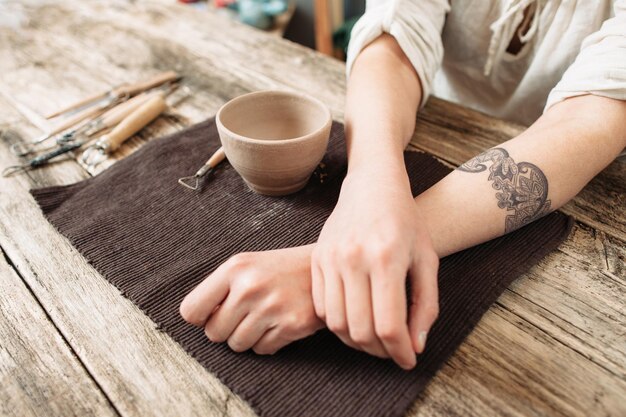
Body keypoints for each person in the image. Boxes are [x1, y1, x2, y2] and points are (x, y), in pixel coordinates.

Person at [179, 0, 626, 370]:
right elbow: (393, 40)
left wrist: (326, 269)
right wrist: (370, 181)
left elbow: (589, 117)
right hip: (425, 123)